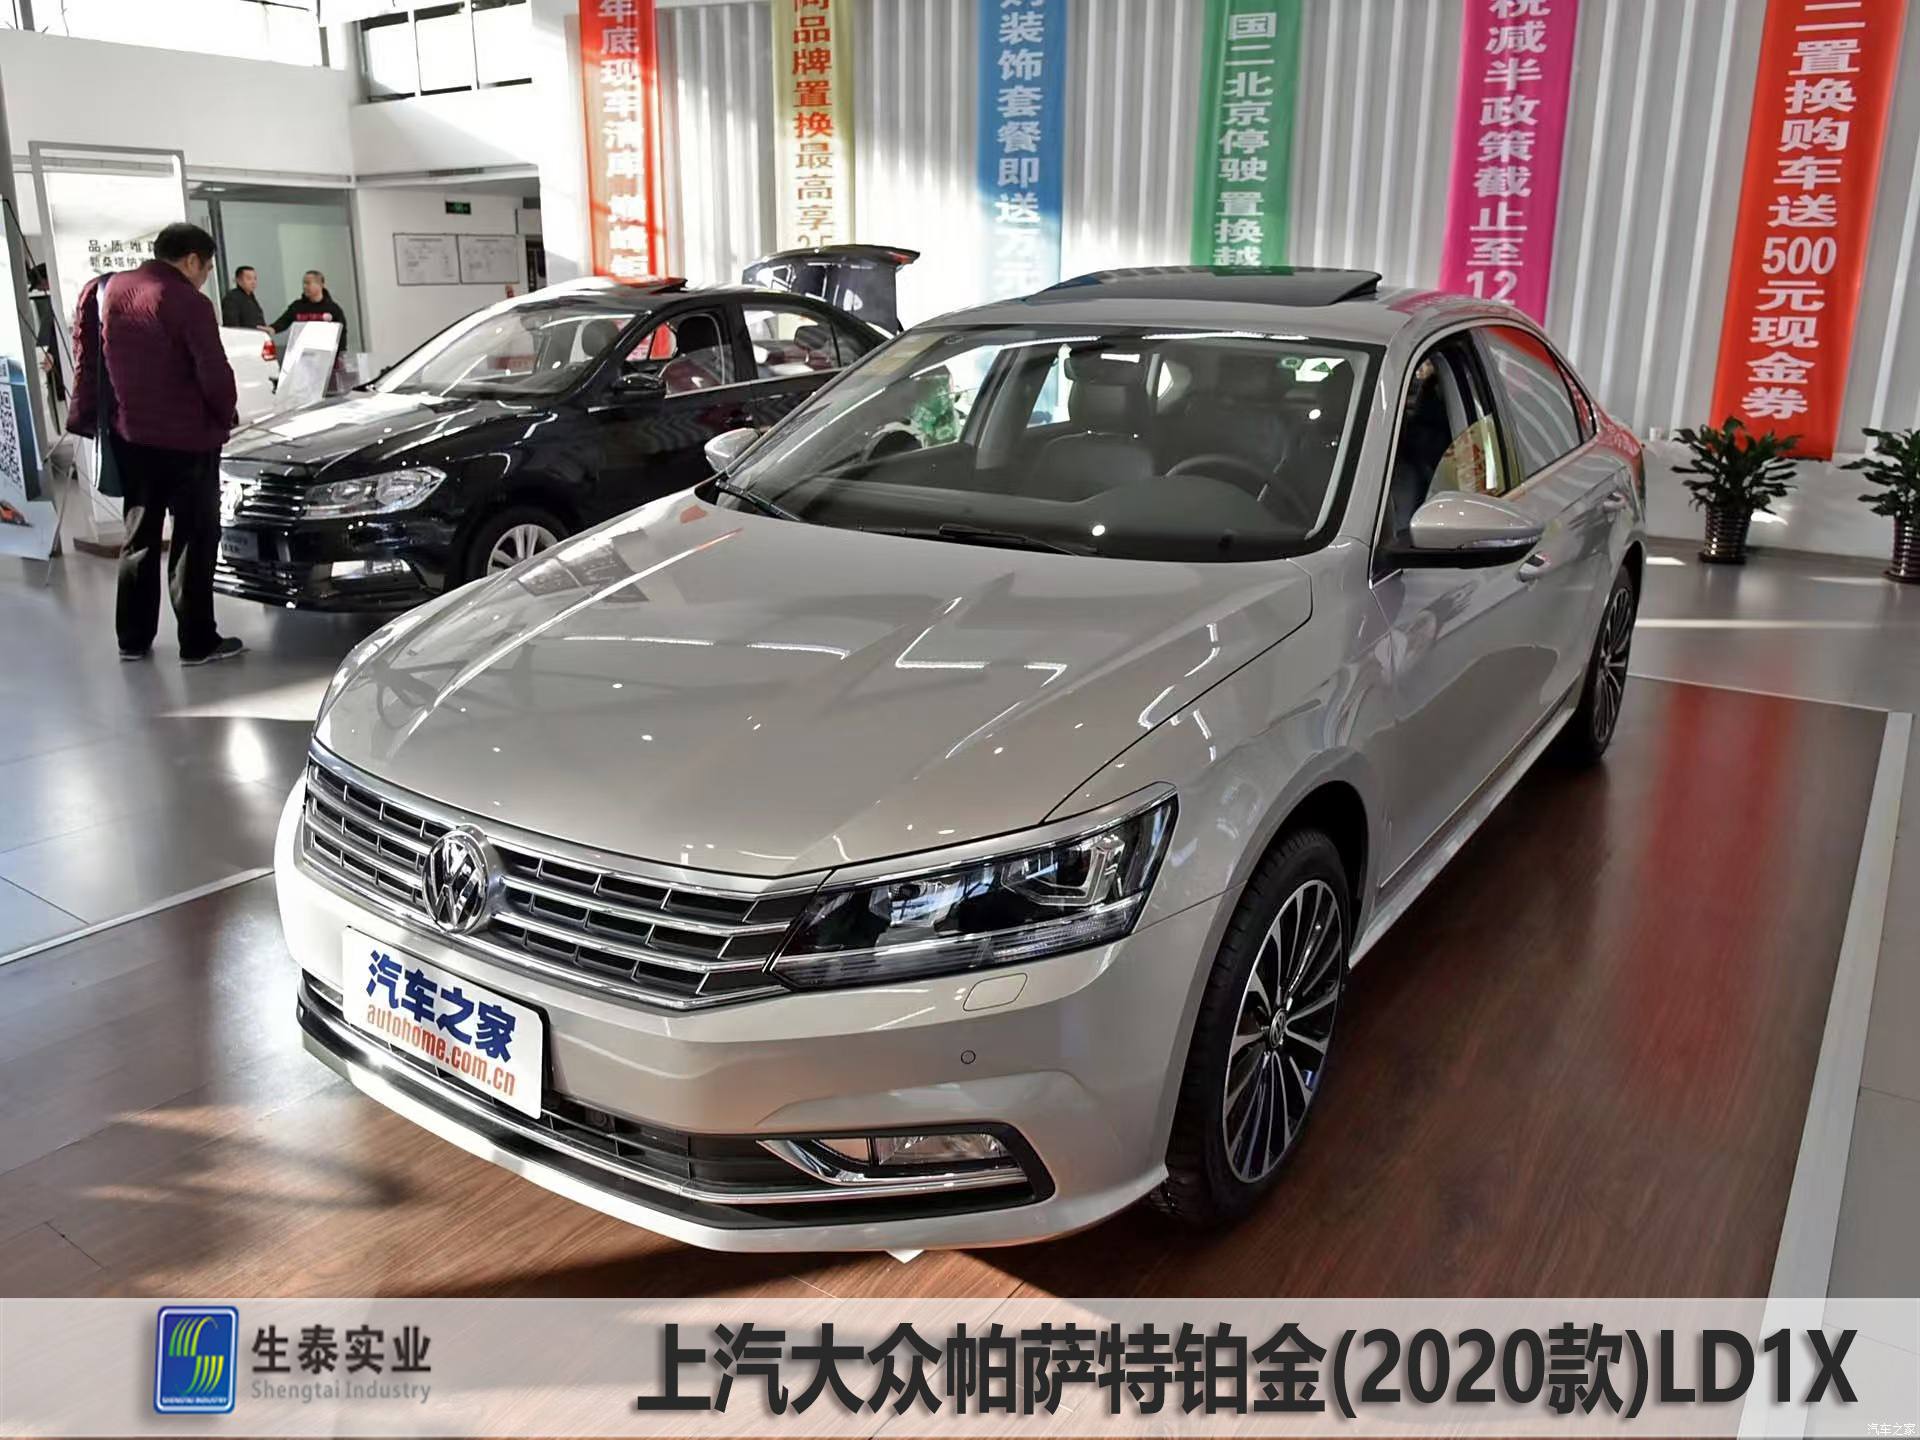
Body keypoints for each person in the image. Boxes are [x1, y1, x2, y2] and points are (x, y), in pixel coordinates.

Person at [68, 221, 243, 666]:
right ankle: (197, 641)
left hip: (132, 436)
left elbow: (91, 358)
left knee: (139, 536)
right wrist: (225, 413)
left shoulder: (110, 290)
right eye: (206, 268)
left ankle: (132, 639)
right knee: (194, 537)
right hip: (188, 440)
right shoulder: (187, 300)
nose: (205, 277)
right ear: (192, 260)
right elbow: (212, 370)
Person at [268, 269, 349, 347]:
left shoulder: (333, 309)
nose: (304, 287)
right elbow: (284, 321)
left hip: (325, 352)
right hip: (302, 351)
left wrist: (341, 352)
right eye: (304, 283)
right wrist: (272, 328)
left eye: (308, 283)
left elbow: (341, 332)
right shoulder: (297, 306)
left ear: (320, 285)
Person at [220, 264, 269, 331]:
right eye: (249, 279)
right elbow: (232, 325)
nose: (253, 282)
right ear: (239, 280)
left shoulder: (251, 297)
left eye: (255, 278)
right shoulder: (232, 298)